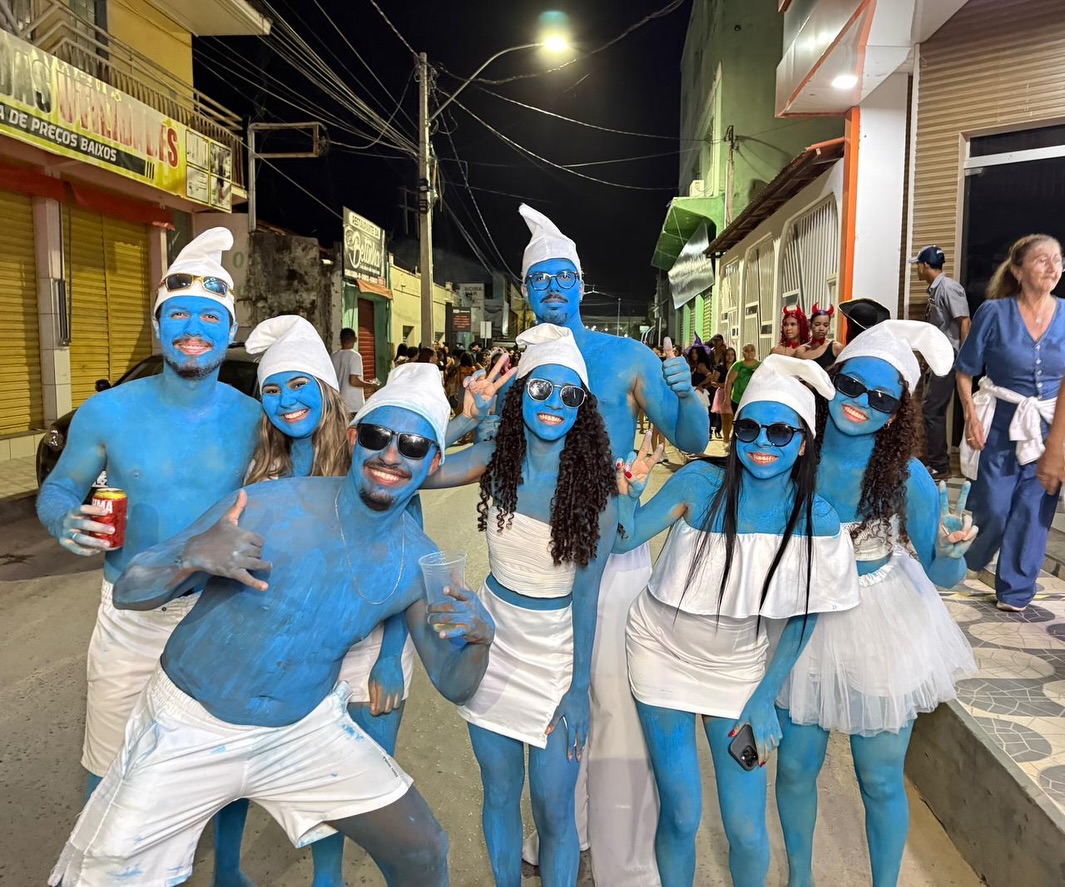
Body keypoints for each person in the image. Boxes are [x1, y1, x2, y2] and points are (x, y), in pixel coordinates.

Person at [48, 365, 496, 887]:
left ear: (434, 460)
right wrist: (191, 556)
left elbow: (455, 683)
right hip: (190, 726)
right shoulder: (264, 505)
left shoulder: (418, 561)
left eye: (414, 445)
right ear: (354, 438)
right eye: (377, 436)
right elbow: (130, 592)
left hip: (303, 731)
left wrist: (479, 642)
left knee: (423, 851)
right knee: (103, 878)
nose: (391, 456)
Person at [36, 227, 260, 887]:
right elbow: (58, 488)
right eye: (180, 316)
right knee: (110, 760)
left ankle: (228, 868)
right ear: (159, 328)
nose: (194, 329)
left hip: (216, 615)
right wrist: (63, 521)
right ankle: (102, 869)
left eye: (210, 318)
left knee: (225, 758)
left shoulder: (253, 418)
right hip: (128, 618)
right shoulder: (107, 412)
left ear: (228, 330)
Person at [514, 203, 708, 886]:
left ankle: (626, 862)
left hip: (617, 554)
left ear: (581, 283)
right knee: (546, 701)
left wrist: (688, 394)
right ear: (526, 291)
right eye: (542, 279)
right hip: (534, 559)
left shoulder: (623, 357)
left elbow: (686, 438)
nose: (555, 287)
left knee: (616, 707)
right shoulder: (519, 366)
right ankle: (559, 833)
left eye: (565, 276)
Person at [615, 356, 860, 887]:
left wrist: (764, 696)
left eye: (780, 430)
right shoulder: (701, 483)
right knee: (681, 814)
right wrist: (627, 497)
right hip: (661, 655)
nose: (762, 442)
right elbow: (623, 538)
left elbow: (803, 618)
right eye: (748, 427)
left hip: (740, 673)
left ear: (803, 441)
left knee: (747, 828)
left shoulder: (815, 518)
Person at [774, 320, 978, 887]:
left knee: (880, 778)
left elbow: (945, 576)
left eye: (882, 397)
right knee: (793, 769)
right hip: (802, 624)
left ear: (896, 413)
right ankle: (800, 880)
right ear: (830, 382)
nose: (862, 402)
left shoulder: (906, 476)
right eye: (852, 386)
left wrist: (951, 549)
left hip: (883, 625)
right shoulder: (792, 451)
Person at [425, 324, 618, 886]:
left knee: (555, 810)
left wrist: (580, 688)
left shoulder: (595, 491)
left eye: (568, 395)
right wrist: (461, 419)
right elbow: (414, 470)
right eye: (539, 390)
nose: (553, 404)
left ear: (583, 407)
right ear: (520, 392)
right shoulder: (494, 459)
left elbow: (587, 598)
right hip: (491, 643)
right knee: (499, 793)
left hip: (555, 656)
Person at [246, 315, 421, 886]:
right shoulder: (260, 467)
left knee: (369, 781)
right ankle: (329, 880)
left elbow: (406, 566)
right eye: (272, 389)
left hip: (370, 650)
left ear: (325, 390)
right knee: (317, 777)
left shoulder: (367, 459)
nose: (286, 400)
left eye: (299, 385)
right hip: (300, 649)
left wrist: (393, 656)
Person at [956, 234, 1065, 611]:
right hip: (1000, 420)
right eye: (1041, 261)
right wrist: (970, 415)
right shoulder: (993, 313)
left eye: (1058, 260)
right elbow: (966, 369)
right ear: (1018, 271)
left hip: (1051, 423)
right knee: (996, 507)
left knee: (1034, 510)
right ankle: (968, 558)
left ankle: (1015, 590)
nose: (1052, 267)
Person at [910, 246, 971, 481]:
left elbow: (965, 322)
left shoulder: (948, 288)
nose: (917, 268)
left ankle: (940, 465)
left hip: (949, 358)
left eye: (918, 264)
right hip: (938, 358)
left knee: (932, 410)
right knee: (930, 409)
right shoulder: (936, 290)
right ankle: (937, 463)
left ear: (925, 265)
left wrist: (965, 358)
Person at [330, 327, 374, 415]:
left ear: (341, 340)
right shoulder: (355, 356)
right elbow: (353, 381)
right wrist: (371, 385)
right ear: (355, 339)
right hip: (353, 404)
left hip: (339, 403)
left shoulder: (333, 356)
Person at [722, 344, 760, 442]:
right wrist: (727, 399)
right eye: (747, 351)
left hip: (753, 400)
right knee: (737, 422)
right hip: (737, 400)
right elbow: (729, 381)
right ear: (743, 353)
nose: (749, 353)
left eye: (752, 350)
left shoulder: (760, 365)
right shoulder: (738, 365)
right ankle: (733, 442)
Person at [796, 304, 843, 370]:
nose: (821, 328)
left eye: (825, 325)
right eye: (817, 324)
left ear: (829, 327)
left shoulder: (836, 347)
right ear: (810, 325)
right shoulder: (800, 350)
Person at [712, 346, 737, 442]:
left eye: (732, 354)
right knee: (724, 416)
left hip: (735, 393)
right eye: (728, 354)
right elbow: (713, 382)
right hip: (723, 393)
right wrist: (723, 384)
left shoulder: (737, 366)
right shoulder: (720, 367)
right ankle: (721, 433)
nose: (730, 357)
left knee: (733, 415)